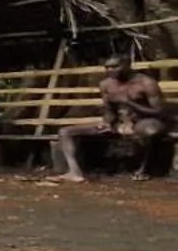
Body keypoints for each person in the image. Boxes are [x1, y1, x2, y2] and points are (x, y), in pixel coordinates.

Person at [57, 54, 170, 182]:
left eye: (115, 66)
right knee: (65, 132)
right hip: (119, 123)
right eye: (107, 67)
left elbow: (160, 111)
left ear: (127, 65)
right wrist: (108, 122)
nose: (110, 70)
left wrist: (130, 103)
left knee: (150, 130)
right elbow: (108, 110)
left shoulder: (146, 83)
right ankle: (74, 172)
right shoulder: (106, 85)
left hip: (144, 120)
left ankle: (144, 169)